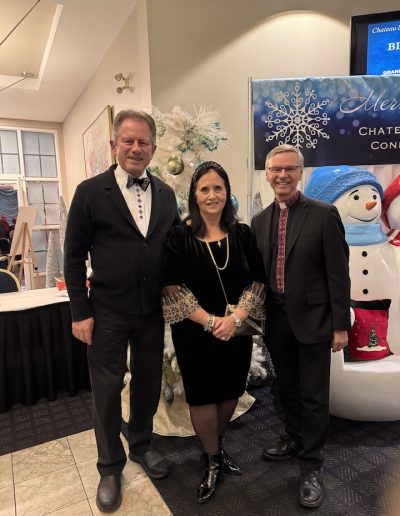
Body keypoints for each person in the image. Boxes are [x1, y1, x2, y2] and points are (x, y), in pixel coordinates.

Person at [64, 109, 180, 513]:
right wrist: (80, 311)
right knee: (107, 390)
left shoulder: (166, 193)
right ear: (115, 145)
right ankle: (109, 466)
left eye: (143, 142)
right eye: (128, 141)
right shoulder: (90, 192)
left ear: (153, 148)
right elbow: (73, 255)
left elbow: (174, 247)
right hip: (107, 311)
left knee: (147, 383)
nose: (135, 148)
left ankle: (142, 445)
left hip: (151, 312)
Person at [251, 144, 351, 509]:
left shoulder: (324, 215)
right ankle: (294, 438)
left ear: (300, 173)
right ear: (267, 174)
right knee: (287, 389)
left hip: (314, 321)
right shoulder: (259, 221)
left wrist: (340, 326)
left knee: (314, 395)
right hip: (276, 320)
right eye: (275, 169)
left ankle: (311, 466)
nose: (282, 175)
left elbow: (338, 274)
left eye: (289, 168)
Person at [162, 161, 265, 504]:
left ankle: (215, 447)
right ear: (194, 194)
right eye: (204, 189)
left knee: (230, 390)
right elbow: (171, 287)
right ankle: (212, 459)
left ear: (227, 192)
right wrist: (210, 322)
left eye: (218, 188)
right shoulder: (180, 236)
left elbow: (258, 281)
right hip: (194, 332)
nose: (211, 195)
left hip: (235, 331)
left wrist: (235, 318)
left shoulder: (243, 234)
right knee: (203, 395)